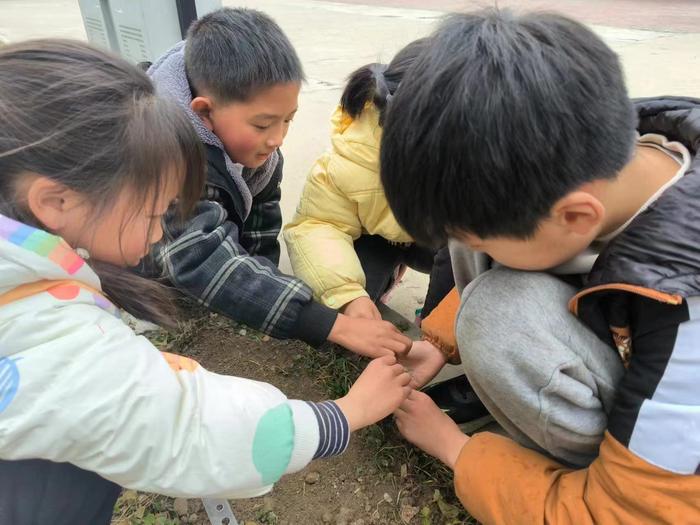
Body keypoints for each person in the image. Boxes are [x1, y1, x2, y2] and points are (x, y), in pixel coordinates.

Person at [0, 39, 412, 524]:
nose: (160, 233)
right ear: (56, 201)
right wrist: (345, 413)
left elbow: (260, 229)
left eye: (288, 122)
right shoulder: (55, 347)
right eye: (156, 213)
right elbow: (189, 428)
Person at [381, 10, 700, 524]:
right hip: (630, 332)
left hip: (671, 483)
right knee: (486, 256)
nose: (456, 250)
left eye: (474, 236)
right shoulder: (599, 143)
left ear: (577, 217)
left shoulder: (686, 328)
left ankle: (588, 466)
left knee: (498, 315)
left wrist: (456, 449)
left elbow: (628, 517)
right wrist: (438, 341)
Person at [144, 7, 411, 358]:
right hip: (147, 266)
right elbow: (199, 259)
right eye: (263, 124)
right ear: (204, 112)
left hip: (199, 241)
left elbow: (262, 219)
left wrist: (265, 287)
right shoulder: (168, 159)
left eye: (288, 120)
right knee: (180, 301)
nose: (277, 138)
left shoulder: (261, 150)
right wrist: (331, 324)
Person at [283, 39, 452, 386]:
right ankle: (384, 278)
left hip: (442, 246)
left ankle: (432, 321)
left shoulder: (485, 165)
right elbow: (318, 225)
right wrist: (349, 297)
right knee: (350, 308)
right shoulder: (353, 157)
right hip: (380, 233)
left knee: (457, 264)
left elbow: (491, 256)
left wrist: (439, 333)